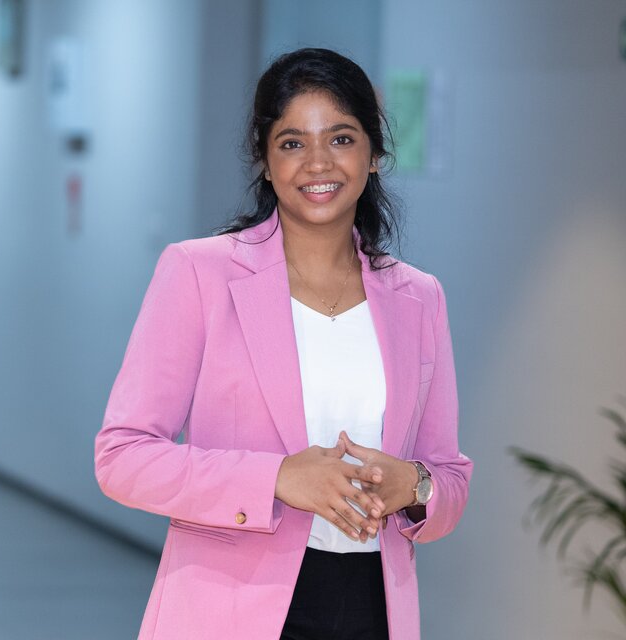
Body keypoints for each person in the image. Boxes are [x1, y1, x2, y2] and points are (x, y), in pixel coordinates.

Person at [94, 47, 473, 640]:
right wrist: (275, 478)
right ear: (265, 162)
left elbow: (448, 477)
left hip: (374, 609)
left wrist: (414, 485)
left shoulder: (419, 297)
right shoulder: (199, 273)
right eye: (293, 142)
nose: (318, 162)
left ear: (374, 155)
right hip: (228, 611)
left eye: (341, 138)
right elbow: (122, 457)